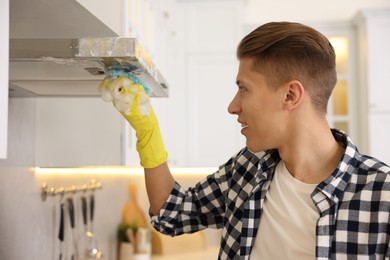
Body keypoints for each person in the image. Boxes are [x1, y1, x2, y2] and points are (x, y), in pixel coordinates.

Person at [100, 21, 390, 259]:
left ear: (290, 95)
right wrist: (147, 130)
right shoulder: (249, 167)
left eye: (244, 89)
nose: (233, 106)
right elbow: (172, 213)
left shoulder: (382, 195)